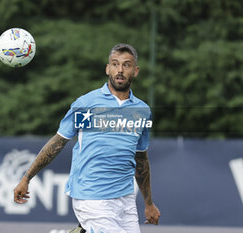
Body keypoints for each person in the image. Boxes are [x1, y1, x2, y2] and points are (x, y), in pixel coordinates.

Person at [14, 43, 161, 233]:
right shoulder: (87, 104)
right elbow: (58, 142)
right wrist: (27, 177)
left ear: (135, 71)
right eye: (115, 64)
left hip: (125, 198)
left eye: (126, 65)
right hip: (92, 196)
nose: (120, 70)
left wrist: (148, 203)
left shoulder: (142, 111)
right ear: (107, 68)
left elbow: (141, 158)